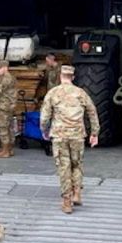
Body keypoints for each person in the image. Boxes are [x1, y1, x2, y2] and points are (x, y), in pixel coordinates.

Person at [39, 65, 100, 214]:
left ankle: (67, 201)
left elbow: (44, 116)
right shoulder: (81, 93)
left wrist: (44, 130)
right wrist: (94, 133)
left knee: (64, 167)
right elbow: (92, 112)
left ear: (60, 76)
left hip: (59, 136)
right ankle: (77, 193)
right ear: (72, 77)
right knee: (77, 164)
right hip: (77, 135)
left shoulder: (53, 93)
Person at [0, 60, 18, 159]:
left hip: (4, 106)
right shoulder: (7, 77)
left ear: (5, 68)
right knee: (8, 127)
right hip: (7, 105)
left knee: (3, 128)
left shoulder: (7, 78)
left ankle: (5, 151)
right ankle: (9, 149)